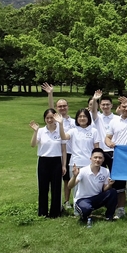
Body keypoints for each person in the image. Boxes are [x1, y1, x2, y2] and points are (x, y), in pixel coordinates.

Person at [55, 108, 99, 214]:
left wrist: (96, 163)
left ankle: (89, 209)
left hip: (89, 164)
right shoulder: (73, 130)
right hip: (76, 163)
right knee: (76, 188)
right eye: (80, 116)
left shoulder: (94, 131)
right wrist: (60, 124)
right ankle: (77, 210)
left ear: (88, 118)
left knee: (88, 188)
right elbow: (63, 137)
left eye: (84, 116)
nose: (82, 118)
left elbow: (96, 148)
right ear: (77, 118)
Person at [42, 82, 76, 210]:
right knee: (57, 179)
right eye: (59, 106)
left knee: (68, 178)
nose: (62, 108)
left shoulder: (74, 122)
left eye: (64, 106)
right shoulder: (55, 119)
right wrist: (50, 94)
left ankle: (67, 201)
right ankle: (58, 203)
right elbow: (50, 109)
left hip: (71, 152)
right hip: (58, 152)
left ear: (68, 107)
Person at [30, 109, 67, 218]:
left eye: (52, 118)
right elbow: (33, 144)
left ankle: (55, 213)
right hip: (43, 161)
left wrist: (63, 165)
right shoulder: (41, 131)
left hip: (56, 161)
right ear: (45, 119)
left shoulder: (60, 131)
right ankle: (43, 212)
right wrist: (35, 131)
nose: (50, 120)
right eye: (47, 118)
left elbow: (63, 150)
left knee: (56, 188)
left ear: (55, 118)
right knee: (43, 187)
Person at [69, 148, 118, 223]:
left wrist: (109, 185)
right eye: (95, 157)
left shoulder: (106, 171)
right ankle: (85, 214)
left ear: (103, 159)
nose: (97, 160)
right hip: (83, 199)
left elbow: (104, 189)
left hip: (97, 198)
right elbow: (70, 186)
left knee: (113, 192)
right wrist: (74, 176)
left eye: (100, 158)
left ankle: (109, 216)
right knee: (86, 210)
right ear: (91, 159)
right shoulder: (83, 171)